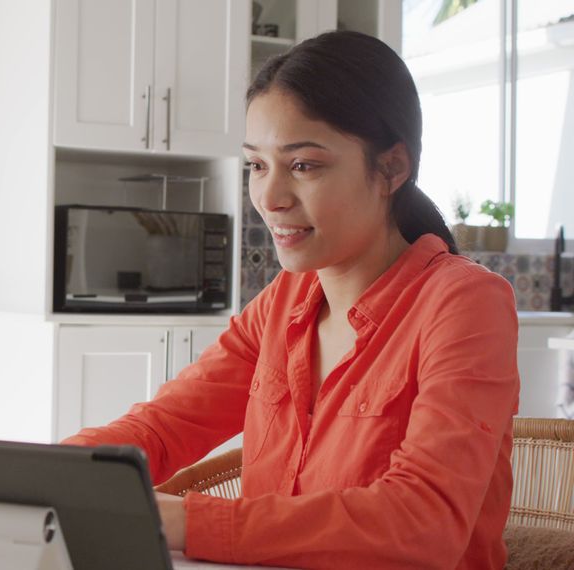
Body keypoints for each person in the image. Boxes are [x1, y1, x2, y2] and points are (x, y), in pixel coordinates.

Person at [61, 30, 519, 569]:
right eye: (257, 165)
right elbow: (162, 428)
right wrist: (39, 474)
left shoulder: (465, 304)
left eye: (304, 165)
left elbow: (424, 522)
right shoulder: (285, 302)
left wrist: (187, 521)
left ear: (392, 168)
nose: (271, 198)